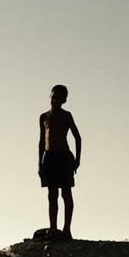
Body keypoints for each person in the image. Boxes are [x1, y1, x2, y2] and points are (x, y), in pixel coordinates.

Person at [38, 85, 81, 238]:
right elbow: (42, 142)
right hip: (49, 158)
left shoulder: (66, 116)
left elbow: (78, 137)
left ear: (64, 100)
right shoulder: (44, 117)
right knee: (52, 194)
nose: (54, 101)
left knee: (66, 193)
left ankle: (67, 229)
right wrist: (40, 164)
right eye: (53, 97)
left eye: (58, 98)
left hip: (64, 157)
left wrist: (77, 160)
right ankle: (53, 228)